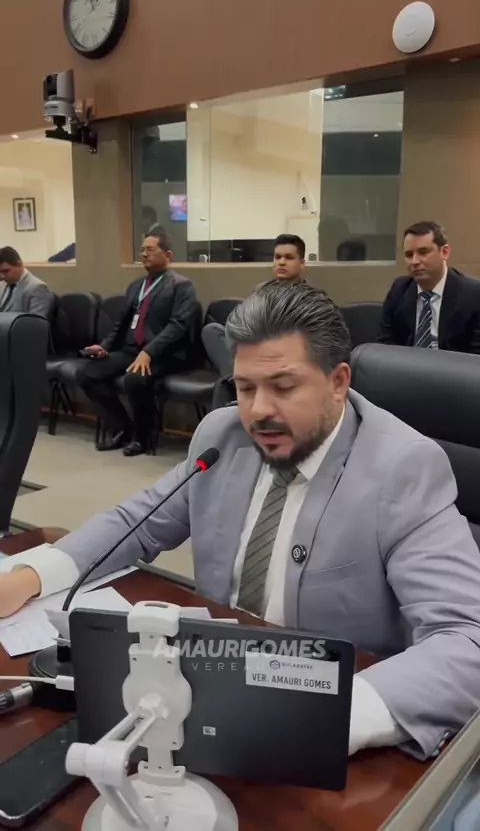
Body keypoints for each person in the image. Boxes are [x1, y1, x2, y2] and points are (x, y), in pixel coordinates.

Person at [3, 282, 480, 759]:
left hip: (325, 726)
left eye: (284, 387)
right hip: (208, 690)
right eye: (246, 388)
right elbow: (138, 522)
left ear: (338, 382)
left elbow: (467, 640)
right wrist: (29, 575)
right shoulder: (223, 435)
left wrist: (329, 718)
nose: (259, 412)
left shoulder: (403, 468)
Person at [78, 229, 198, 457]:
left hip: (165, 354)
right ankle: (123, 428)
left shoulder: (182, 286)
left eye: (150, 250)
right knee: (88, 374)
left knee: (135, 378)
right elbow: (121, 324)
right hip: (132, 350)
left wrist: (149, 352)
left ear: (168, 255)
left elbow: (178, 326)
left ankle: (142, 437)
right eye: (142, 250)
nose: (144, 254)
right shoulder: (136, 286)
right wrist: (105, 346)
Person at [378, 221, 480, 353]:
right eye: (409, 255)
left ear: (444, 252)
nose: (415, 261)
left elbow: (475, 355)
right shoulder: (399, 289)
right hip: (405, 364)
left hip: (452, 365)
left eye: (423, 252)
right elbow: (385, 343)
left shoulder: (473, 294)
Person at [0, 246, 53, 318]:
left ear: (19, 264)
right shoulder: (3, 284)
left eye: (6, 271)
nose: (1, 276)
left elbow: (36, 322)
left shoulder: (37, 288)